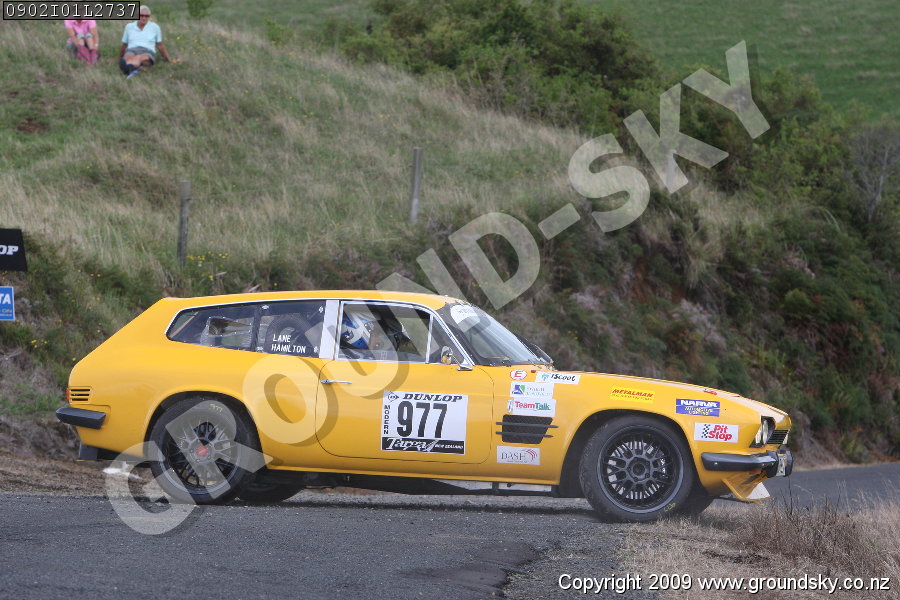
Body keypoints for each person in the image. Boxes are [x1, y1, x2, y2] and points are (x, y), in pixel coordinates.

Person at [117, 5, 174, 78]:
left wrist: (168, 59)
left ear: (149, 17)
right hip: (132, 49)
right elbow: (125, 45)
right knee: (128, 56)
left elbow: (160, 45)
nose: (144, 18)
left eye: (146, 16)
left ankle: (129, 67)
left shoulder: (155, 27)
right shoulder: (129, 27)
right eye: (141, 15)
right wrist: (118, 57)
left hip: (147, 51)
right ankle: (129, 66)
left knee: (140, 58)